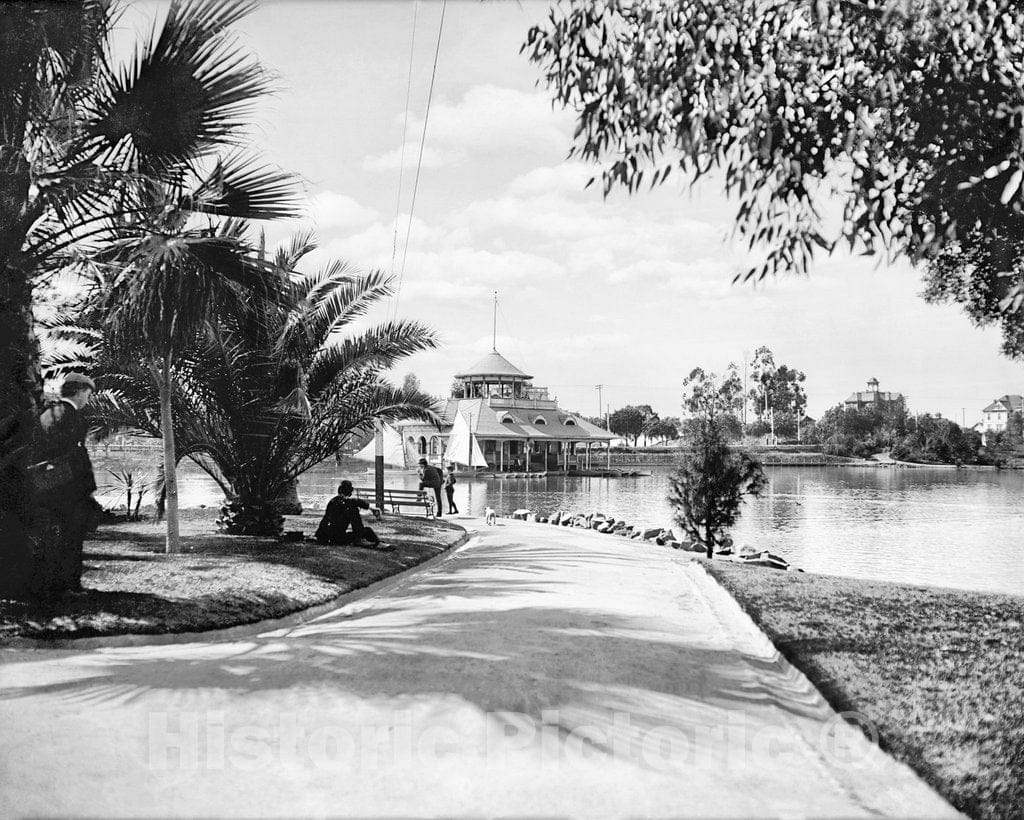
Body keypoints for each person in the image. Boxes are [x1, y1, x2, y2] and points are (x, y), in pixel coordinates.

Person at [32, 372, 97, 598]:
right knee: (72, 536)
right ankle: (70, 586)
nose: (87, 400)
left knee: (53, 537)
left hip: (45, 486)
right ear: (79, 392)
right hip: (69, 487)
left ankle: (53, 585)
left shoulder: (47, 414)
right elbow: (73, 455)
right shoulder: (73, 417)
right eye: (87, 394)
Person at [314, 480, 380, 546]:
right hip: (336, 538)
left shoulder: (333, 501)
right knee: (355, 512)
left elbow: (355, 502)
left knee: (367, 530)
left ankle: (363, 538)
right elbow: (356, 502)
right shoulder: (348, 503)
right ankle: (360, 539)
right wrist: (372, 509)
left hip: (323, 536)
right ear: (350, 492)